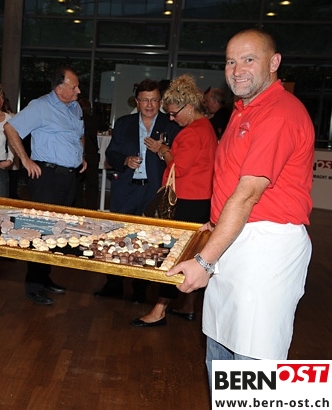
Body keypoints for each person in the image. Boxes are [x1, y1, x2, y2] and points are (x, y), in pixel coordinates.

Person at [167, 29, 314, 389]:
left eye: (249, 59)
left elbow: (248, 195)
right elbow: (232, 183)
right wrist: (214, 225)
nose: (237, 70)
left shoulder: (280, 112)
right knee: (221, 355)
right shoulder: (243, 110)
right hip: (235, 242)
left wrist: (204, 261)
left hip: (265, 249)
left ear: (274, 62)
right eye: (231, 61)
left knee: (254, 367)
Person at [131, 74, 217, 327]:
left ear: (188, 107)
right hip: (200, 200)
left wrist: (163, 150)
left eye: (173, 113)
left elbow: (178, 169)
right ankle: (188, 306)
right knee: (192, 254)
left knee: (173, 255)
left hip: (187, 201)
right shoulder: (206, 127)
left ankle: (159, 311)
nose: (170, 118)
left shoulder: (192, 133)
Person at [3, 66, 87, 305]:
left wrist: (79, 155)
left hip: (69, 177)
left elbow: (78, 134)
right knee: (41, 230)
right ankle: (34, 285)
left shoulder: (75, 107)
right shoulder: (40, 106)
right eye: (74, 87)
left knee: (59, 230)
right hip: (47, 177)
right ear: (59, 89)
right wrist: (25, 159)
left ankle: (45, 277)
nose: (78, 91)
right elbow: (10, 128)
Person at [95, 79, 179, 301]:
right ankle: (114, 284)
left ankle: (141, 288)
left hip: (154, 191)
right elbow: (111, 154)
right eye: (145, 100)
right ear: (137, 101)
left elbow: (179, 158)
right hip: (127, 189)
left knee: (149, 240)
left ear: (160, 101)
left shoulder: (170, 124)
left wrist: (162, 149)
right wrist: (125, 160)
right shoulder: (124, 123)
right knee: (119, 237)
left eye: (154, 100)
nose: (149, 105)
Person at [75, 97, 100, 210]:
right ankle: (92, 208)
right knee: (93, 185)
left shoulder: (76, 119)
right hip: (92, 153)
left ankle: (78, 207)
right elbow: (104, 126)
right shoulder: (93, 120)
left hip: (80, 153)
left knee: (78, 184)